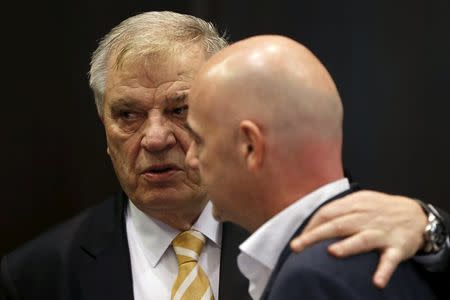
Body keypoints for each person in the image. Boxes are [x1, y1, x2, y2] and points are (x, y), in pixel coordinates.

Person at [0, 11, 448, 300]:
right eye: (128, 115)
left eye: (181, 110)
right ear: (103, 126)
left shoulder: (325, 228)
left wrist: (433, 230)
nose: (155, 139)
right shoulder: (36, 277)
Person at [186, 34, 441, 299]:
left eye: (199, 139)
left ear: (250, 147)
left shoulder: (313, 279)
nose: (191, 159)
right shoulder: (416, 251)